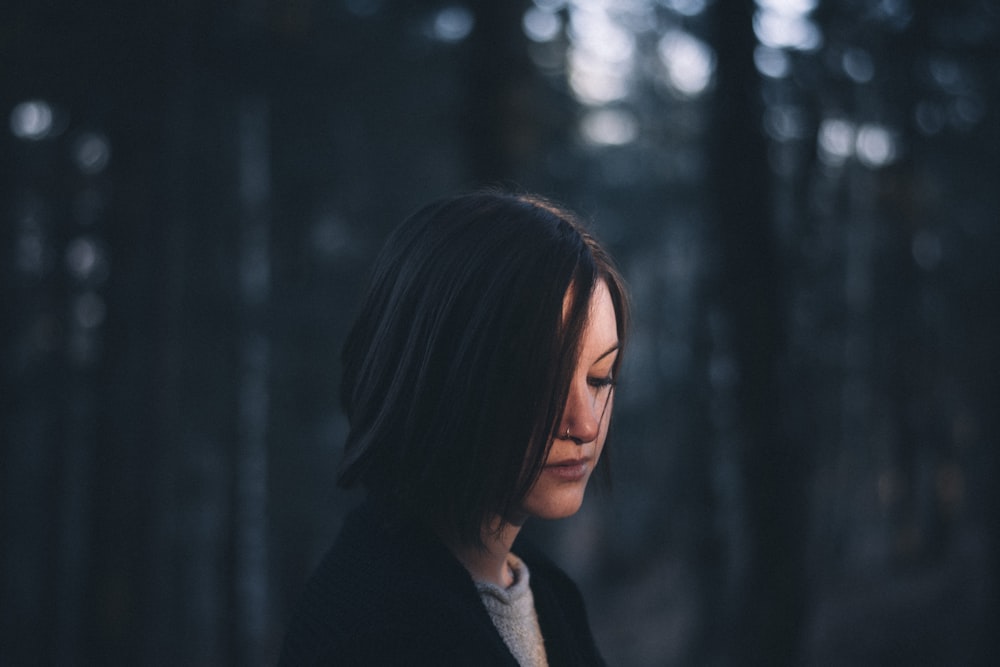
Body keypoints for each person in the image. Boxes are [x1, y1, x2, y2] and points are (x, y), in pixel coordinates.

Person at [279, 190, 629, 666]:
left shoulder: (548, 595)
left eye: (599, 377)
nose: (584, 423)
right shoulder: (375, 634)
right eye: (540, 380)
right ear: (441, 374)